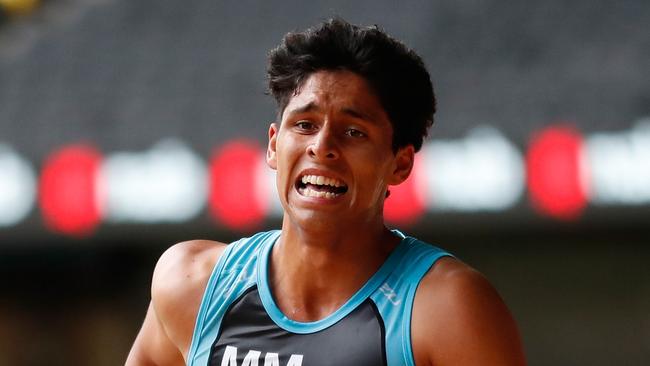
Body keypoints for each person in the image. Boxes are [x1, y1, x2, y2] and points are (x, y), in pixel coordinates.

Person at [126, 18, 526, 366]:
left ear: (400, 164)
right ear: (272, 145)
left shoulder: (446, 307)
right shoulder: (191, 285)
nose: (322, 146)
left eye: (354, 132)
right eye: (304, 124)